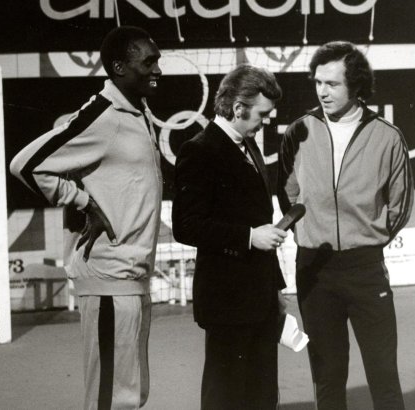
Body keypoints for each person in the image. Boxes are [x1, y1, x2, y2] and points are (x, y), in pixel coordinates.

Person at [10, 26, 163, 409]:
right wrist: (82, 202)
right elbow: (26, 164)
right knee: (111, 399)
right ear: (118, 67)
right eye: (148, 61)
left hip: (130, 277)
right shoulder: (102, 114)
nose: (158, 69)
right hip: (109, 276)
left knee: (129, 394)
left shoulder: (137, 113)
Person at [277, 41, 414, 410]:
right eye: (318, 82)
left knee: (384, 375)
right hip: (314, 270)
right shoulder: (298, 131)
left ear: (355, 86)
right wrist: (308, 234)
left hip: (365, 269)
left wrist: (370, 237)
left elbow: (400, 204)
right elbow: (288, 193)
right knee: (328, 376)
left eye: (332, 84)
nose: (322, 91)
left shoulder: (387, 136)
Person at [172, 64, 287, 410]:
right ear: (238, 108)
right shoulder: (199, 150)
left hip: (260, 297)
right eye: (262, 115)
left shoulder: (248, 146)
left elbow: (258, 221)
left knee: (262, 394)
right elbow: (186, 225)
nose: (265, 122)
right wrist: (250, 237)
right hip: (227, 302)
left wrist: (276, 289)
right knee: (226, 396)